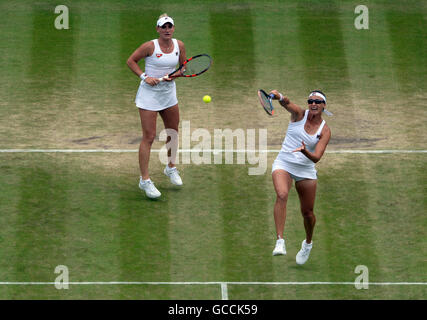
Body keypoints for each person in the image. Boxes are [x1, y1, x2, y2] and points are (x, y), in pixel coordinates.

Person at [127, 14, 186, 199]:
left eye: (170, 26)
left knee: (173, 132)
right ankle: (144, 180)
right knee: (149, 136)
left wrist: (175, 75)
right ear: (158, 29)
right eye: (164, 27)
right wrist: (145, 77)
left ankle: (171, 167)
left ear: (173, 28)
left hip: (168, 94)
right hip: (149, 96)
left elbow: (183, 67)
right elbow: (131, 61)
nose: (167, 29)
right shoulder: (150, 46)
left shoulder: (179, 45)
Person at [270, 89, 332, 265]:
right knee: (282, 194)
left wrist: (305, 151)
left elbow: (317, 157)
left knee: (308, 213)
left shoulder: (325, 130)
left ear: (323, 106)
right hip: (284, 163)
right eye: (310, 101)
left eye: (317, 102)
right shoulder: (299, 115)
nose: (313, 104)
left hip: (306, 169)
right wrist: (279, 96)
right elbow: (287, 103)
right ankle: (280, 241)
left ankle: (308, 243)